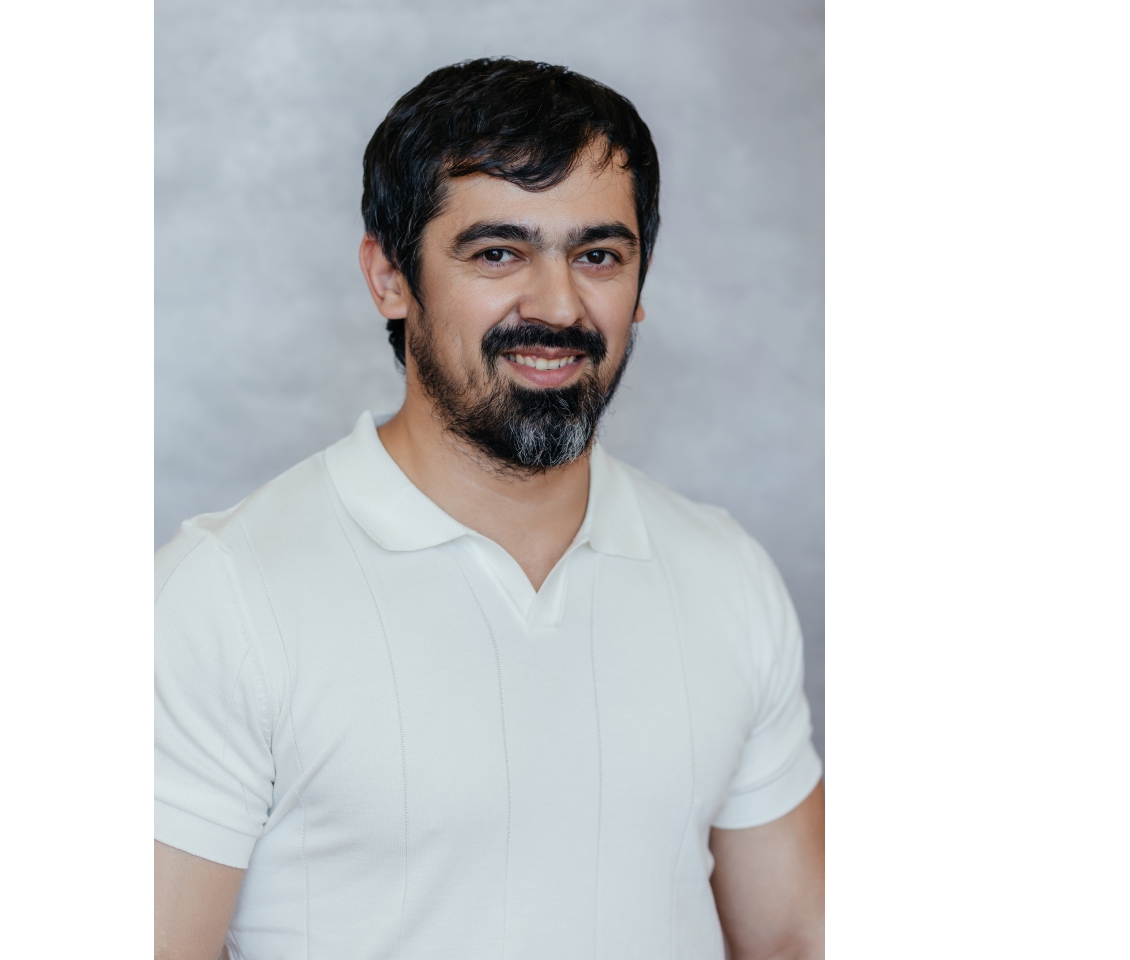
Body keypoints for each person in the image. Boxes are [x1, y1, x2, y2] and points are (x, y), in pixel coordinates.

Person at [155, 57, 823, 960]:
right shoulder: (221, 598)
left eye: (598, 255)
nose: (558, 305)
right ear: (389, 278)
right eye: (498, 253)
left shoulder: (725, 574)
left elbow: (791, 937)